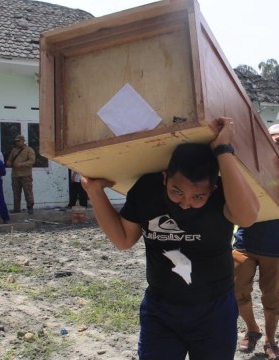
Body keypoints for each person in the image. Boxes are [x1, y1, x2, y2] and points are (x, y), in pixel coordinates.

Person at [81, 117, 259, 359]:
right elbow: (123, 240)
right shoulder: (147, 189)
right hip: (161, 310)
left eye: (198, 196)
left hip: (214, 311)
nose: (186, 202)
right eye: (177, 191)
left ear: (212, 190)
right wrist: (94, 191)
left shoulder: (223, 194)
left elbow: (247, 217)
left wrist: (223, 150)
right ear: (165, 177)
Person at [233, 123, 279, 360]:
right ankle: (252, 328)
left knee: (272, 297)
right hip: (244, 237)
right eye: (275, 140)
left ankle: (270, 340)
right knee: (238, 289)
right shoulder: (250, 165)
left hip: (275, 243)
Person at [5, 134, 35, 214]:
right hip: (15, 175)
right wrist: (8, 162)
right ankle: (16, 208)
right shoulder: (14, 150)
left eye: (19, 141)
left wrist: (22, 164)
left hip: (26, 175)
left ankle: (30, 207)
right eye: (16, 141)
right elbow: (10, 159)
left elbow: (32, 161)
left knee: (28, 191)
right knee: (16, 192)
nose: (17, 143)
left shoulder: (29, 150)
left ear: (23, 141)